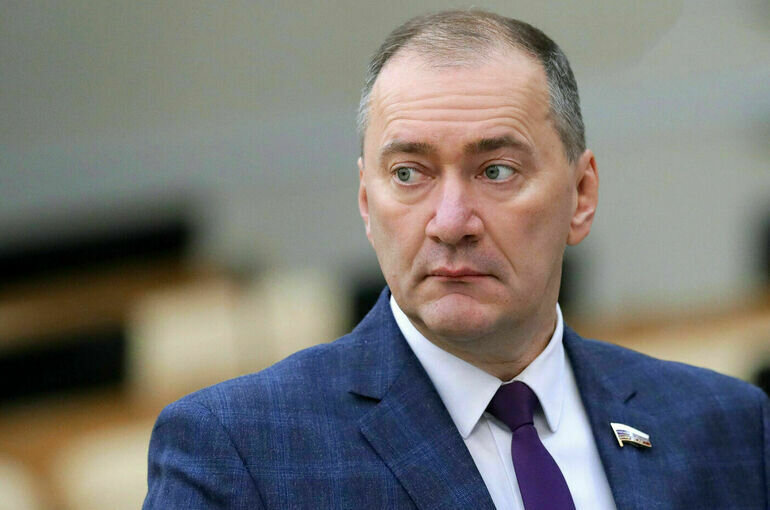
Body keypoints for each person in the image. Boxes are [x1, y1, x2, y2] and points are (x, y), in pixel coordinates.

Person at [143, 10, 769, 509]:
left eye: (495, 170)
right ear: (366, 203)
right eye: (408, 173)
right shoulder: (241, 454)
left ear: (581, 195)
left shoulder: (729, 427)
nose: (449, 223)